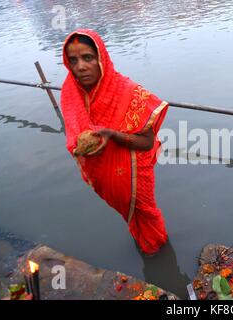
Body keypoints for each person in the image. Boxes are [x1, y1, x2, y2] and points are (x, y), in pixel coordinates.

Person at [61, 29, 169, 255]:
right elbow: (73, 138)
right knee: (130, 215)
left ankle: (159, 253)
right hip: (108, 176)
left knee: (146, 212)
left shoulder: (128, 92)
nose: (80, 67)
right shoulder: (71, 93)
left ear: (102, 59)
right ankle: (145, 245)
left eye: (88, 58)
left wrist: (111, 135)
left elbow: (147, 143)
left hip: (134, 171)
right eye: (73, 60)